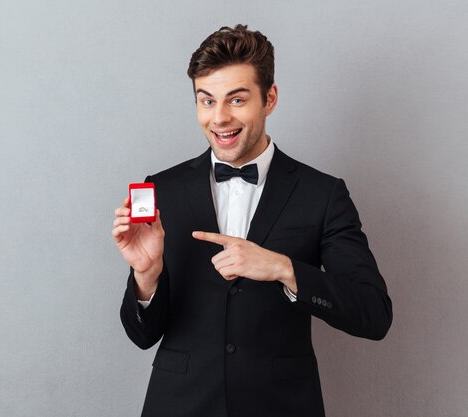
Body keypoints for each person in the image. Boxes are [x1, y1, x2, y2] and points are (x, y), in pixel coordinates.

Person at [112, 24, 392, 417]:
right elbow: (142, 337)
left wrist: (282, 268)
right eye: (206, 101)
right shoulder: (161, 190)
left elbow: (373, 314)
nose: (220, 118)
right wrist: (147, 275)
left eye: (237, 100)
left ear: (270, 98)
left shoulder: (323, 194)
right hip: (179, 405)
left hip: (281, 407)